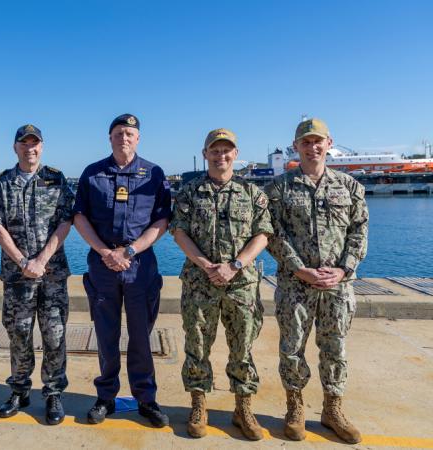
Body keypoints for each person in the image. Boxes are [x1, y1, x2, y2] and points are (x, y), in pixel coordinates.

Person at [265, 118, 368, 444]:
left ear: (328, 143)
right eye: (305, 142)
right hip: (296, 285)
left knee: (334, 348)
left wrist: (343, 269)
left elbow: (359, 232)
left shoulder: (349, 187)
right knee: (292, 349)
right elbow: (271, 234)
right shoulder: (279, 188)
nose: (312, 147)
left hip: (337, 287)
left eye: (317, 141)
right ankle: (294, 408)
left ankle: (332, 409)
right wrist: (298, 268)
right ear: (296, 146)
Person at [170, 129, 272, 440]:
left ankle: (243, 408)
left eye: (227, 150)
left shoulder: (253, 193)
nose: (221, 156)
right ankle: (199, 405)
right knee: (197, 346)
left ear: (236, 154)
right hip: (200, 283)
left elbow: (263, 234)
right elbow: (179, 232)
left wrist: (235, 265)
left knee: (242, 348)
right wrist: (205, 264)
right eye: (215, 151)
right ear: (205, 154)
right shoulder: (189, 192)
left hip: (241, 285)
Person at [73, 114, 171, 427]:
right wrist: (105, 252)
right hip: (103, 264)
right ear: (110, 138)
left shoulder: (154, 173)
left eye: (129, 133)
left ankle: (146, 399)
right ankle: (106, 397)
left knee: (141, 335)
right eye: (118, 133)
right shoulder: (92, 173)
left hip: (139, 264)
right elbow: (79, 217)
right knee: (105, 334)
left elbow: (162, 221)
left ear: (138, 138)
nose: (124, 138)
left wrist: (129, 251)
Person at [0, 124, 74, 425]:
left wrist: (42, 259)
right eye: (24, 143)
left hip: (52, 275)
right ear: (15, 148)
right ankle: (20, 390)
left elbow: (66, 221)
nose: (30, 148)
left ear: (42, 146)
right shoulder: (1, 183)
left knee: (55, 334)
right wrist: (24, 262)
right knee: (18, 333)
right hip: (17, 276)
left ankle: (52, 394)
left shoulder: (56, 179)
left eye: (34, 143)